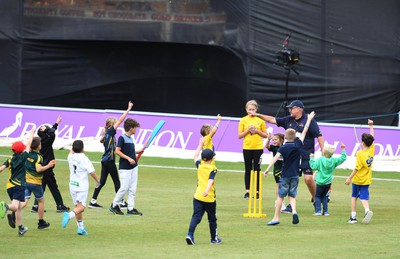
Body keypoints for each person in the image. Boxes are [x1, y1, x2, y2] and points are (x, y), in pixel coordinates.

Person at [257, 100, 324, 205]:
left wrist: (323, 152)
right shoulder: (288, 120)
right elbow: (272, 120)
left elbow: (319, 136)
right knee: (291, 180)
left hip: (306, 154)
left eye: (291, 108)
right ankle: (289, 204)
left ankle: (316, 198)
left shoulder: (309, 120)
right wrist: (258, 115)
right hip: (291, 157)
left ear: (298, 109)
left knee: (308, 179)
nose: (289, 110)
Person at [264, 111, 315, 226]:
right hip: (295, 175)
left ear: (285, 137)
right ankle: (294, 211)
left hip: (285, 175)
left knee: (280, 197)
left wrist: (267, 169)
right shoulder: (298, 145)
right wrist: (309, 119)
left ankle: (276, 217)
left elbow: (275, 159)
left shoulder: (282, 148)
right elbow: (305, 131)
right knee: (292, 196)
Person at [89, 101, 133, 209]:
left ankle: (93, 201)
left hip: (105, 160)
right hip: (109, 161)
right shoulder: (110, 132)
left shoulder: (107, 134)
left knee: (102, 181)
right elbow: (121, 120)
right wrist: (128, 109)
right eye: (114, 124)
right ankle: (122, 202)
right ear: (110, 125)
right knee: (117, 181)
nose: (117, 125)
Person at [0, 127, 35, 236]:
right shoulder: (24, 156)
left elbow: (1, 169)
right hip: (19, 186)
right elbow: (29, 143)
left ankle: (21, 228)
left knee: (19, 207)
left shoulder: (10, 160)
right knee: (15, 206)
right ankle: (5, 206)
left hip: (9, 186)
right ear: (21, 150)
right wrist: (32, 132)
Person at [62, 140, 100, 235]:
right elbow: (91, 171)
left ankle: (81, 228)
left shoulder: (70, 157)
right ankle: (69, 215)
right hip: (81, 185)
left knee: (77, 206)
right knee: (81, 207)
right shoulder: (84, 158)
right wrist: (98, 181)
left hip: (72, 185)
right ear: (83, 148)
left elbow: (72, 151)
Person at [32, 116, 70, 213]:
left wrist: (55, 124)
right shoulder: (48, 141)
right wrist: (55, 125)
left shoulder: (38, 142)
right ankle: (60, 205)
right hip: (47, 168)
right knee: (54, 187)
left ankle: (36, 206)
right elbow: (52, 133)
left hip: (41, 167)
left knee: (41, 187)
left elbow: (51, 132)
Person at [186, 149, 222, 245]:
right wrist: (207, 190)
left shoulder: (199, 165)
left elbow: (195, 157)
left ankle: (190, 235)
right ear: (212, 158)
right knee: (212, 219)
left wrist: (200, 146)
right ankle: (214, 239)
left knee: (196, 217)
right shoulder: (213, 168)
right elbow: (210, 179)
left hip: (198, 196)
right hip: (209, 198)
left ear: (202, 158)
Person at [109, 118, 144, 216]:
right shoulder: (122, 138)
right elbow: (117, 151)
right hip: (125, 167)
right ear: (131, 128)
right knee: (124, 188)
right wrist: (129, 159)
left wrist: (138, 151)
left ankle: (131, 208)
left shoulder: (131, 139)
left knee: (132, 189)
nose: (136, 130)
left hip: (134, 167)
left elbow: (129, 151)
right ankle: (114, 205)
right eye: (135, 128)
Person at [21, 136, 56, 229]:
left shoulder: (27, 153)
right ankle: (41, 222)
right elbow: (39, 169)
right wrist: (49, 165)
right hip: (35, 182)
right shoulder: (38, 157)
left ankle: (12, 211)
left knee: (24, 202)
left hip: (26, 181)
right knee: (40, 201)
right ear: (38, 146)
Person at [345, 119, 375, 224]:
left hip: (358, 180)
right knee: (364, 197)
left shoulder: (360, 154)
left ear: (362, 142)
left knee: (354, 197)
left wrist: (349, 178)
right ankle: (367, 211)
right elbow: (372, 137)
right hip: (367, 180)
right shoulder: (372, 149)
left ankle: (353, 217)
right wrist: (371, 126)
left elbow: (356, 168)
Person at [238, 100, 268, 199]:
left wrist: (256, 131)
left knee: (257, 169)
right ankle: (247, 191)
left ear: (256, 110)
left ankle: (257, 191)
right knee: (248, 169)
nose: (251, 111)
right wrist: (248, 130)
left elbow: (265, 134)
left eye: (253, 109)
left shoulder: (260, 120)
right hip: (247, 147)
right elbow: (239, 136)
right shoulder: (243, 120)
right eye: (249, 109)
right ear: (246, 110)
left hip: (258, 147)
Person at [310, 142, 347, 216]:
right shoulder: (334, 161)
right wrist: (343, 149)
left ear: (323, 152)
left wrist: (311, 158)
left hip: (320, 182)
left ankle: (318, 211)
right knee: (324, 196)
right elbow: (343, 158)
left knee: (317, 196)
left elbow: (313, 166)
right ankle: (326, 211)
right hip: (328, 182)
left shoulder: (320, 159)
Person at [265, 132, 289, 213]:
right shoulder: (274, 148)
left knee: (286, 186)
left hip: (286, 170)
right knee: (278, 186)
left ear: (281, 140)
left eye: (275, 140)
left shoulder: (285, 147)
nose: (273, 141)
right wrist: (268, 139)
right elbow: (267, 146)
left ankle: (281, 201)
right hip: (277, 170)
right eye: (273, 140)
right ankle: (280, 202)